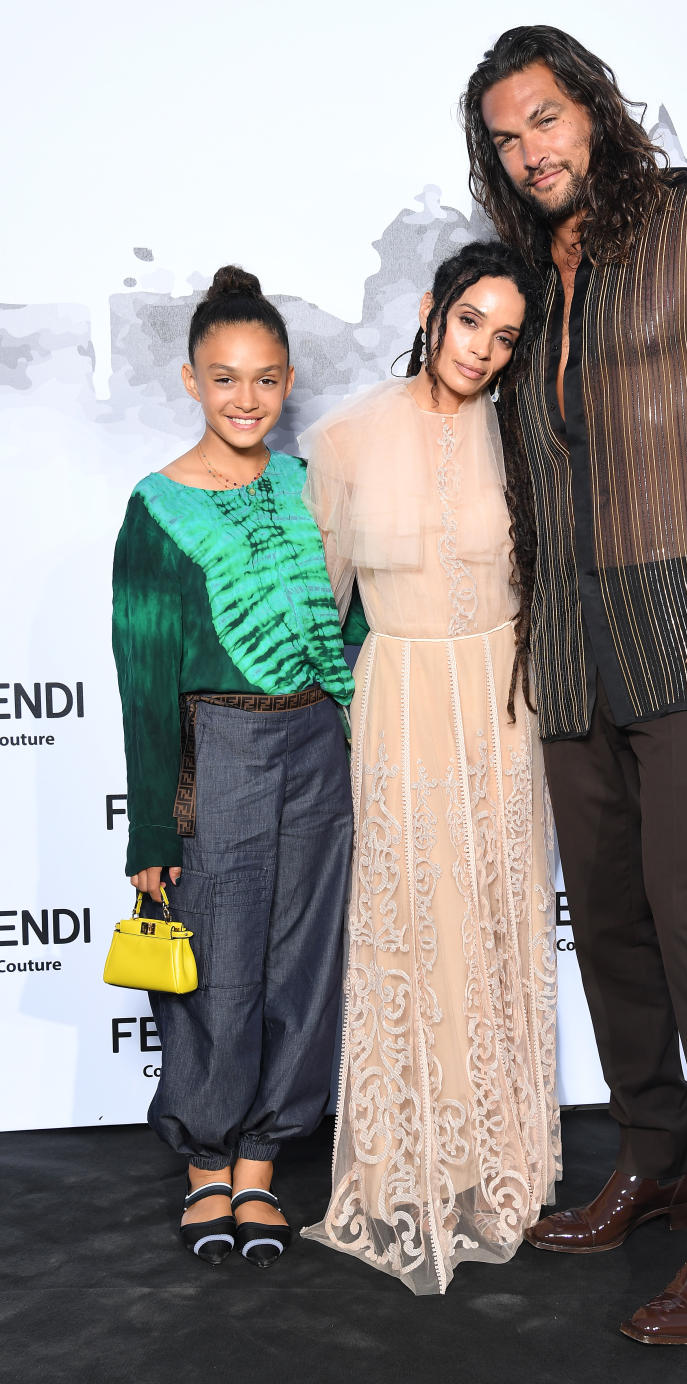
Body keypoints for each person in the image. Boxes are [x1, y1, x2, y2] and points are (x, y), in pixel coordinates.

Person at [461, 26, 687, 1344]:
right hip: (565, 645)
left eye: (544, 117)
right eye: (505, 135)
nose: (530, 148)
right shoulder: (524, 281)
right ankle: (655, 1159)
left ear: (594, 110)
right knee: (609, 916)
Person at [299, 240, 560, 1295]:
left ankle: (501, 1160)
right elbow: (323, 606)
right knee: (415, 923)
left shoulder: (528, 435)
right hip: (400, 702)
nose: (484, 351)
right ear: (431, 309)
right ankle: (413, 1162)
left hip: (505, 704)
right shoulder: (349, 436)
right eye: (470, 324)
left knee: (495, 920)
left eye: (506, 337)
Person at [112, 265, 361, 1268]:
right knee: (213, 966)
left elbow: (354, 621)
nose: (246, 399)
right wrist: (150, 830)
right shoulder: (159, 509)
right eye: (224, 379)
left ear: (288, 380)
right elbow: (144, 677)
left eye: (263, 379)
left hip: (319, 747)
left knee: (303, 962)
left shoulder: (311, 488)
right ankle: (204, 1164)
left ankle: (259, 1168)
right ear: (190, 381)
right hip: (216, 750)